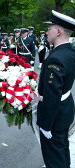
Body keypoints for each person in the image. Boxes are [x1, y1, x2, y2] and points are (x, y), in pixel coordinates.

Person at [37, 10, 75, 168]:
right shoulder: (69, 51)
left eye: (49, 28)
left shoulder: (57, 58)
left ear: (58, 31)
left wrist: (45, 126)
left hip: (54, 115)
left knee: (54, 158)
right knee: (62, 150)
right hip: (65, 109)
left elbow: (52, 96)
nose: (46, 32)